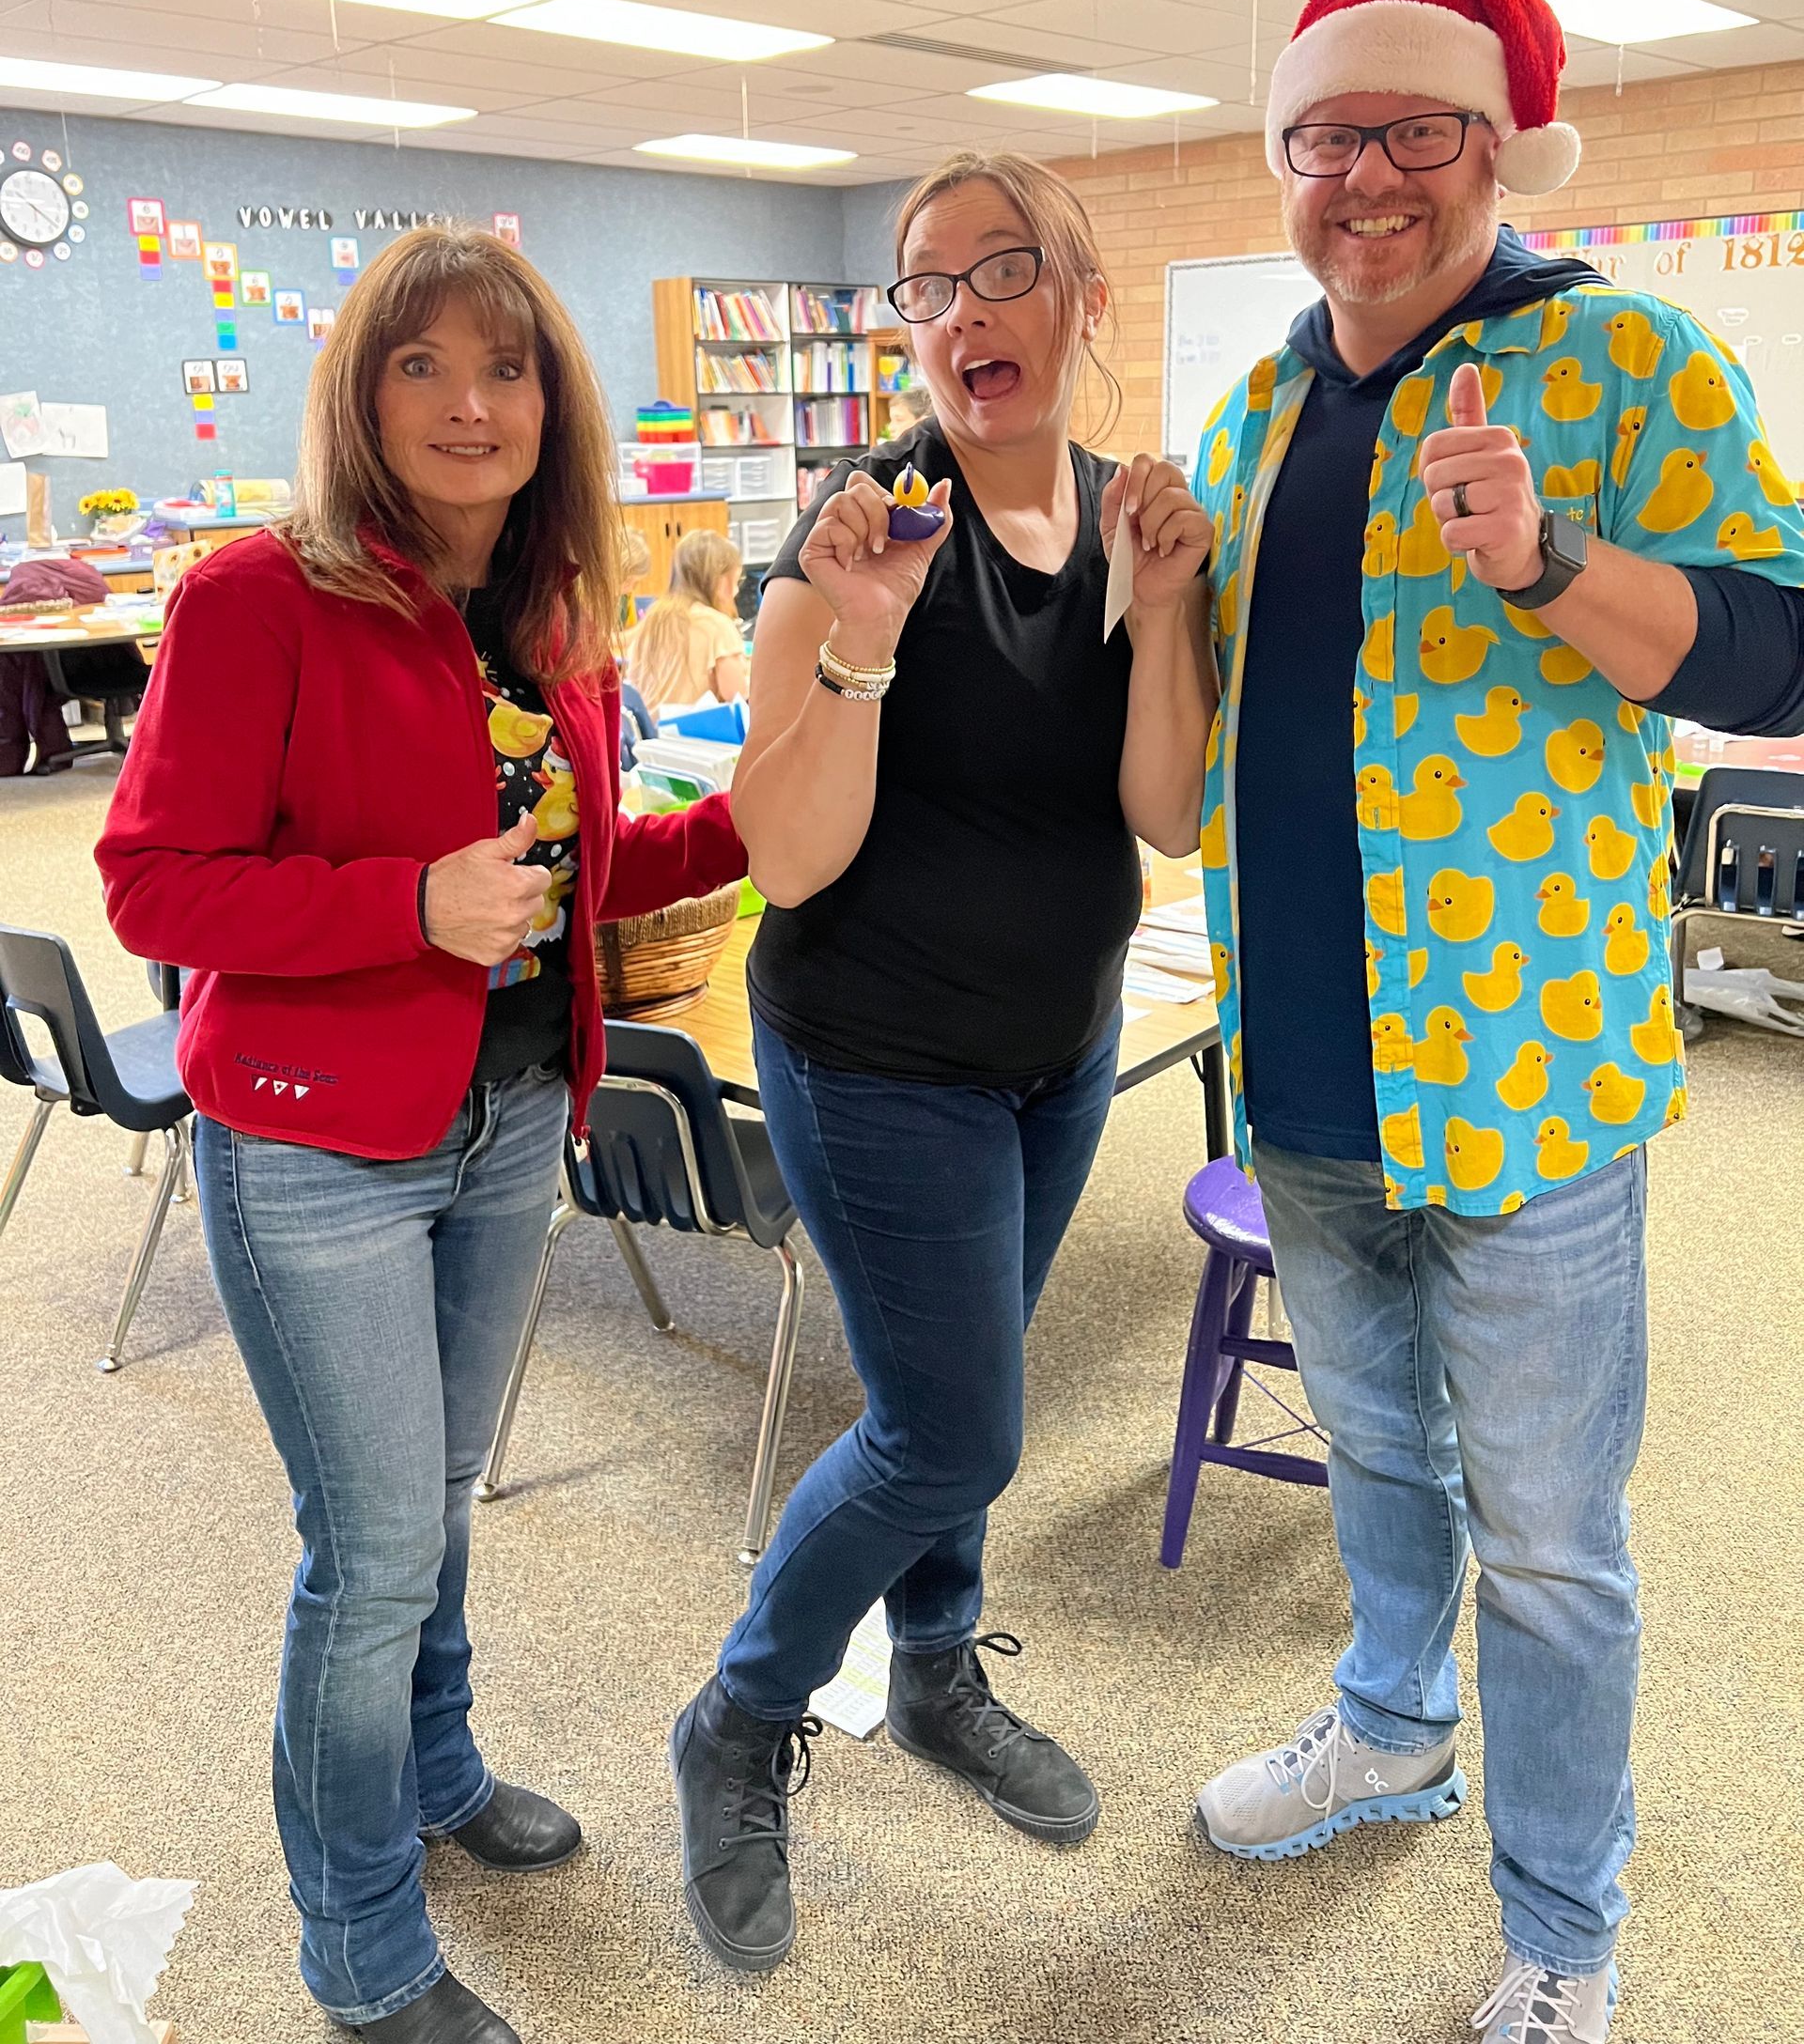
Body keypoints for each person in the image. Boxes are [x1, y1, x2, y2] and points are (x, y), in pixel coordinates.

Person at [1186, 0, 1804, 2042]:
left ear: (1495, 147)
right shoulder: (1263, 399)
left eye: (1408, 130)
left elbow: (1782, 656)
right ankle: (1388, 1727)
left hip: (1531, 1088)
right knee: (1373, 1458)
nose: (1361, 174)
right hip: (1308, 1077)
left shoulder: (1624, 358)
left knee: (1549, 1537)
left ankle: (1562, 1921)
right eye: (1319, 136)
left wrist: (1547, 564)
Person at [96, 225, 746, 2044]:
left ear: (555, 400)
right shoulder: (257, 598)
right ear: (361, 397)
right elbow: (151, 878)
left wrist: (775, 805)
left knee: (436, 1503)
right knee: (371, 1544)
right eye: (423, 367)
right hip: (316, 1143)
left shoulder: (558, 614)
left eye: (509, 367)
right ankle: (362, 1942)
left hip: (509, 1113)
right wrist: (400, 905)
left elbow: (589, 878)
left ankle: (440, 1767)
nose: (473, 404)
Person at [668, 149, 1215, 1974]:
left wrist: (1172, 600)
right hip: (871, 1048)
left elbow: (1166, 814)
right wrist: (871, 646)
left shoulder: (1130, 523)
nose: (962, 310)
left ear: (1082, 299)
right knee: (953, 1422)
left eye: (1003, 270)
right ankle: (739, 1714)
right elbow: (794, 856)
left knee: (956, 1400)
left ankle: (930, 1672)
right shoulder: (854, 531)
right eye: (925, 285)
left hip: (1056, 1047)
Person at [0, 555, 143, 775]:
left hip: (65, 677)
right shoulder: (92, 591)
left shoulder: (23, 594)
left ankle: (18, 758)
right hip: (124, 667)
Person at [623, 527, 745, 715]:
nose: (736, 592)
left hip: (650, 737)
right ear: (720, 582)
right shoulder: (717, 626)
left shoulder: (654, 617)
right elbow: (738, 699)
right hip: (693, 739)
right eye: (735, 581)